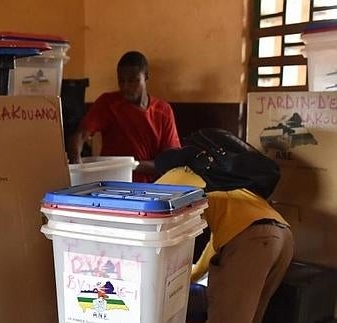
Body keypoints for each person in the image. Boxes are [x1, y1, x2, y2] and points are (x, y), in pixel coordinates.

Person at [154, 133, 294, 323]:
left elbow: (150, 224)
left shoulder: (168, 183)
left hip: (253, 242)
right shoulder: (219, 180)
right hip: (281, 237)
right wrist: (193, 275)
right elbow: (220, 239)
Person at [67, 50, 181, 182]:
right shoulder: (108, 103)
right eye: (121, 81)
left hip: (151, 188)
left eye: (133, 80)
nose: (126, 86)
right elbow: (80, 136)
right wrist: (76, 160)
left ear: (146, 77)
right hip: (111, 185)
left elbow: (171, 163)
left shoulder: (163, 111)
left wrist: (130, 166)